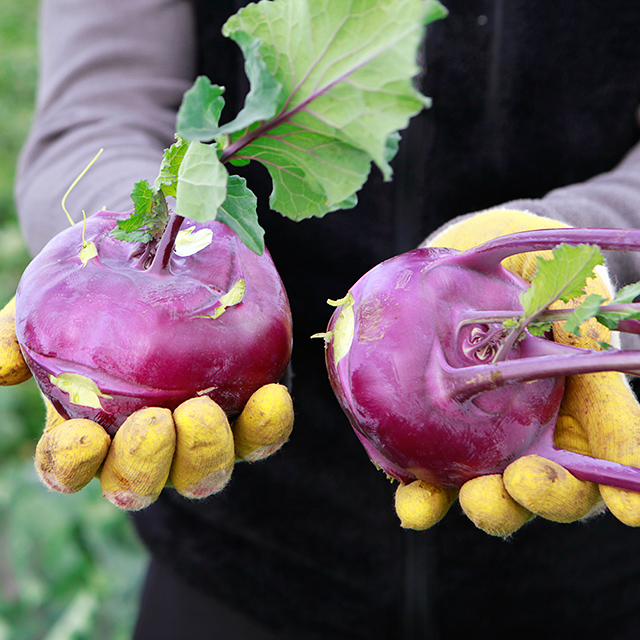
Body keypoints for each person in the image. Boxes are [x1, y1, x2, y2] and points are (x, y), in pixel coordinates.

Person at [12, 0, 640, 638]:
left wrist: (576, 241)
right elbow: (97, 107)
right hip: (246, 566)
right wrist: (128, 238)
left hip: (581, 583)